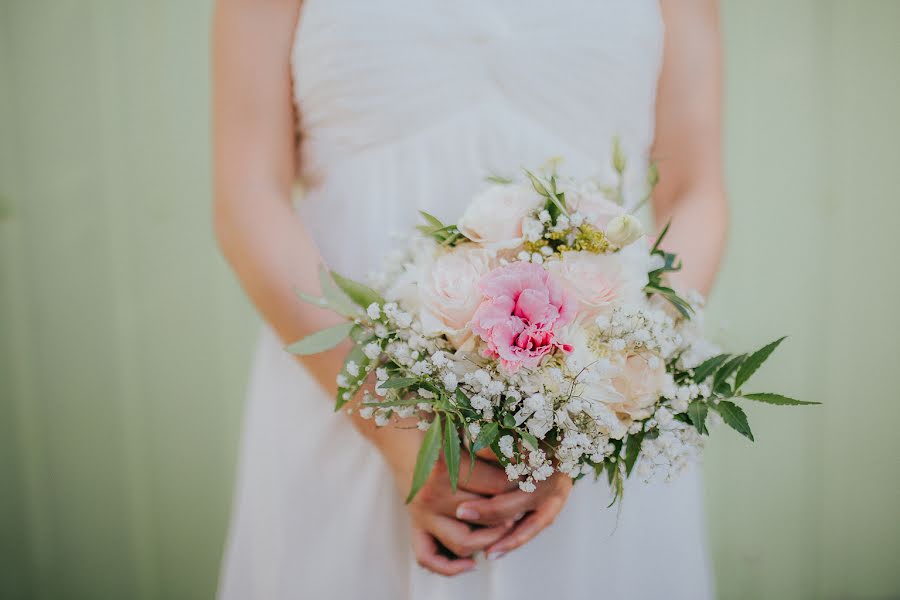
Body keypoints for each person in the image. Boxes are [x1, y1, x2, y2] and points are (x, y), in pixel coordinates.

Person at [212, 1, 728, 598]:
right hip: (344, 388)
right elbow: (248, 191)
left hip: (586, 427)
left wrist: (600, 403)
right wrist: (389, 426)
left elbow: (695, 193)